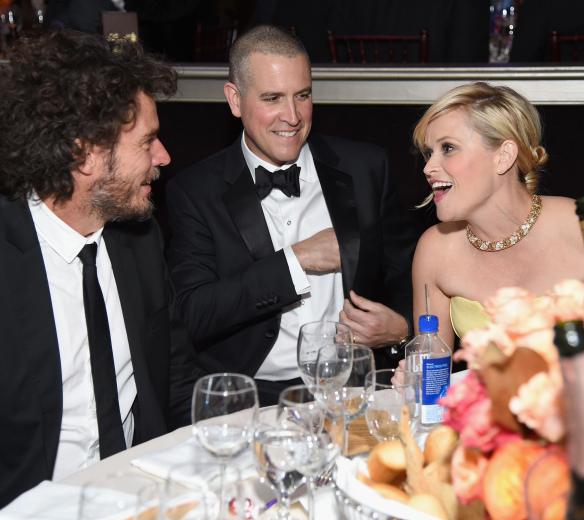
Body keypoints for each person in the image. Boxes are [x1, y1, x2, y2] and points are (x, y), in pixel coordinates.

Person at [0, 29, 201, 520]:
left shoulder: (139, 240)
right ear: (83, 154)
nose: (164, 157)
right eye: (148, 141)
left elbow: (175, 379)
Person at [166, 24, 417, 405]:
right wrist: (295, 261)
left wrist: (401, 326)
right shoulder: (194, 191)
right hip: (250, 395)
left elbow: (411, 273)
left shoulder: (366, 167)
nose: (292, 116)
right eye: (272, 98)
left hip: (351, 386)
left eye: (302, 95)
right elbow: (192, 313)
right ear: (234, 100)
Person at [409, 81, 584, 348]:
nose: (428, 167)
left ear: (504, 156)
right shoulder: (435, 250)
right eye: (429, 152)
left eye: (448, 148)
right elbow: (432, 371)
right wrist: (415, 374)